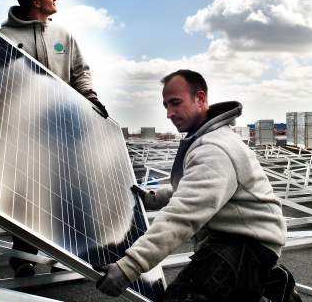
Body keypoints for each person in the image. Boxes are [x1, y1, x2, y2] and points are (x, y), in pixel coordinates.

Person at [96, 70, 287, 301]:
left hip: (247, 245)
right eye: (166, 105)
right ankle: (263, 287)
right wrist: (152, 198)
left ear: (200, 99)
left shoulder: (213, 149)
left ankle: (262, 284)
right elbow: (191, 189)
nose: (169, 113)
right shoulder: (207, 138)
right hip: (238, 240)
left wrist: (131, 266)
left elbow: (183, 213)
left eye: (176, 103)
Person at [0, 0, 109, 277]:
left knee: (75, 187)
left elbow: (79, 71)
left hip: (66, 124)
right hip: (25, 127)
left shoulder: (63, 34)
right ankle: (23, 256)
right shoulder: (5, 36)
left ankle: (88, 251)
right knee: (26, 193)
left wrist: (90, 97)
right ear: (35, 1)